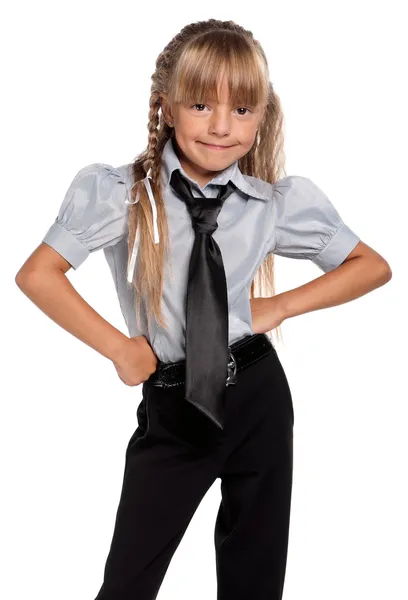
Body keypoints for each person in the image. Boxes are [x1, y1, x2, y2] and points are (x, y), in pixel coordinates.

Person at [15, 18, 392, 600]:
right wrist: (119, 348)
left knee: (254, 576)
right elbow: (38, 274)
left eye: (242, 110)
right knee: (129, 582)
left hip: (259, 396)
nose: (221, 127)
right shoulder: (121, 195)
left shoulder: (272, 204)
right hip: (173, 403)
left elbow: (371, 265)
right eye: (200, 105)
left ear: (262, 114)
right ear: (165, 107)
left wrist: (279, 306)